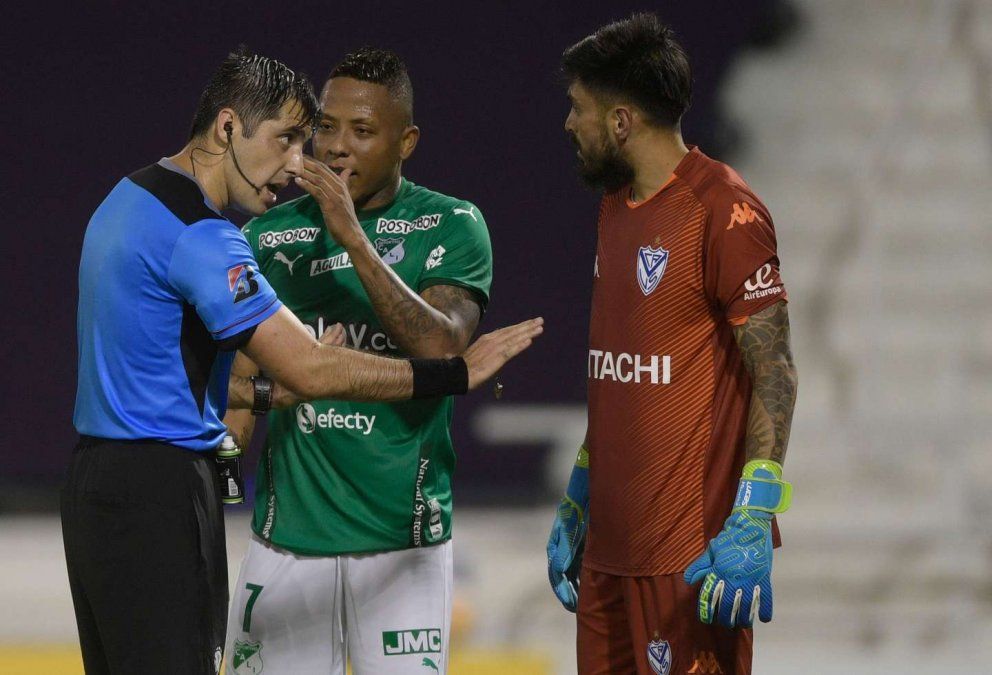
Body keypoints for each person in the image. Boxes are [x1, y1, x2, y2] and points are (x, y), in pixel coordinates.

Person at [62, 47, 541, 675]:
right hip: (188, 502)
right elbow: (309, 368)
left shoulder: (129, 196)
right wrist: (454, 375)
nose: (306, 160)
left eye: (358, 132)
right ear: (229, 126)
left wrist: (262, 399)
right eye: (297, 137)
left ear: (407, 141)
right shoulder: (218, 237)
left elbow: (189, 368)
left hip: (109, 487)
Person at [221, 47, 491, 675]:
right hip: (285, 544)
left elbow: (442, 349)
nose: (337, 147)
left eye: (364, 131)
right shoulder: (267, 236)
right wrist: (221, 474)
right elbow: (241, 381)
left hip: (404, 552)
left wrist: (353, 239)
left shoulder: (452, 225)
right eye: (326, 127)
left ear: (407, 142)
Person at [545, 14, 797, 675]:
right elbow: (622, 375)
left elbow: (776, 370)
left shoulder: (727, 212)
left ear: (622, 121)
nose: (570, 124)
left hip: (687, 565)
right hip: (607, 560)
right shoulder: (614, 208)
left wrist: (755, 511)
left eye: (580, 109)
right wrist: (579, 493)